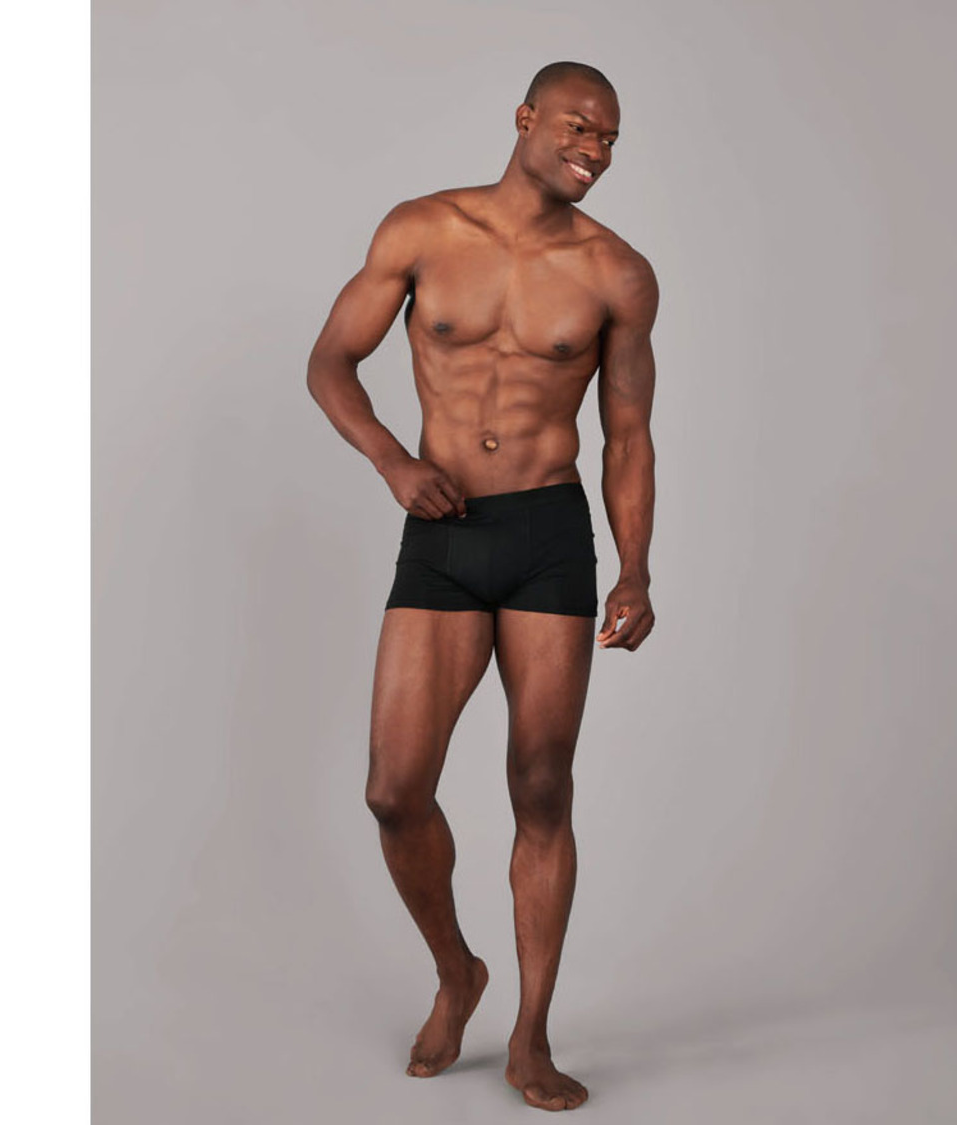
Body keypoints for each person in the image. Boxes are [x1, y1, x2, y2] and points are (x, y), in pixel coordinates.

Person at [306, 60, 658, 1113]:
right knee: (393, 789)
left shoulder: (617, 272)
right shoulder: (423, 229)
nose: (593, 150)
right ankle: (458, 970)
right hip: (444, 530)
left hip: (548, 535)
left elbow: (628, 433)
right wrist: (392, 462)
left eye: (609, 138)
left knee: (541, 786)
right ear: (526, 118)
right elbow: (331, 362)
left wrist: (635, 566)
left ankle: (531, 1037)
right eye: (578, 127)